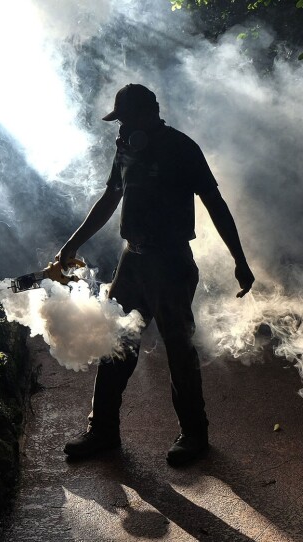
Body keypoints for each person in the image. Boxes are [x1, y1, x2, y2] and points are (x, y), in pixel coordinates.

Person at [56, 83, 255, 466]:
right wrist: (72, 244)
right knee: (115, 342)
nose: (121, 129)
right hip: (132, 261)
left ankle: (194, 435)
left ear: (149, 114)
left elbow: (214, 202)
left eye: (126, 120)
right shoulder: (126, 149)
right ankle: (103, 431)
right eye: (119, 122)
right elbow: (110, 198)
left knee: (178, 348)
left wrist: (240, 260)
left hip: (171, 262)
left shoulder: (182, 148)